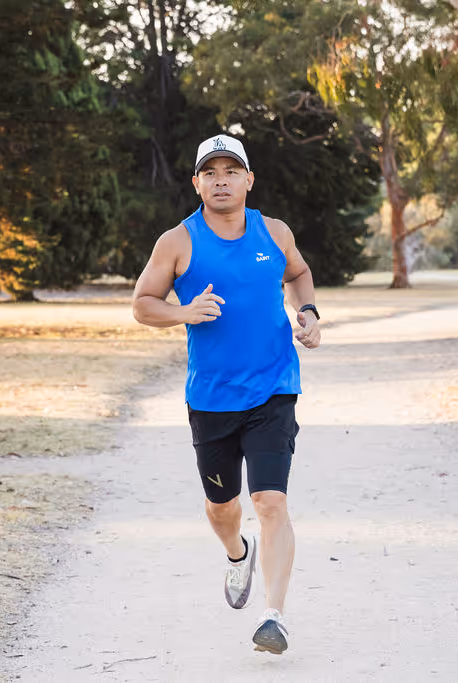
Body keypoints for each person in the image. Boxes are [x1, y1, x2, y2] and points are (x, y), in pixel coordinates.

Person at [131, 134, 321, 655]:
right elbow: (143, 303)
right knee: (222, 508)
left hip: (273, 389)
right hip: (212, 398)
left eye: (231, 171)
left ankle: (273, 616)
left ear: (248, 180)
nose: (221, 181)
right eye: (210, 172)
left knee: (270, 500)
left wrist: (308, 313)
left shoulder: (274, 232)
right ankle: (238, 554)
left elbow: (299, 273)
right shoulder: (177, 241)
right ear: (196, 183)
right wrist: (184, 312)